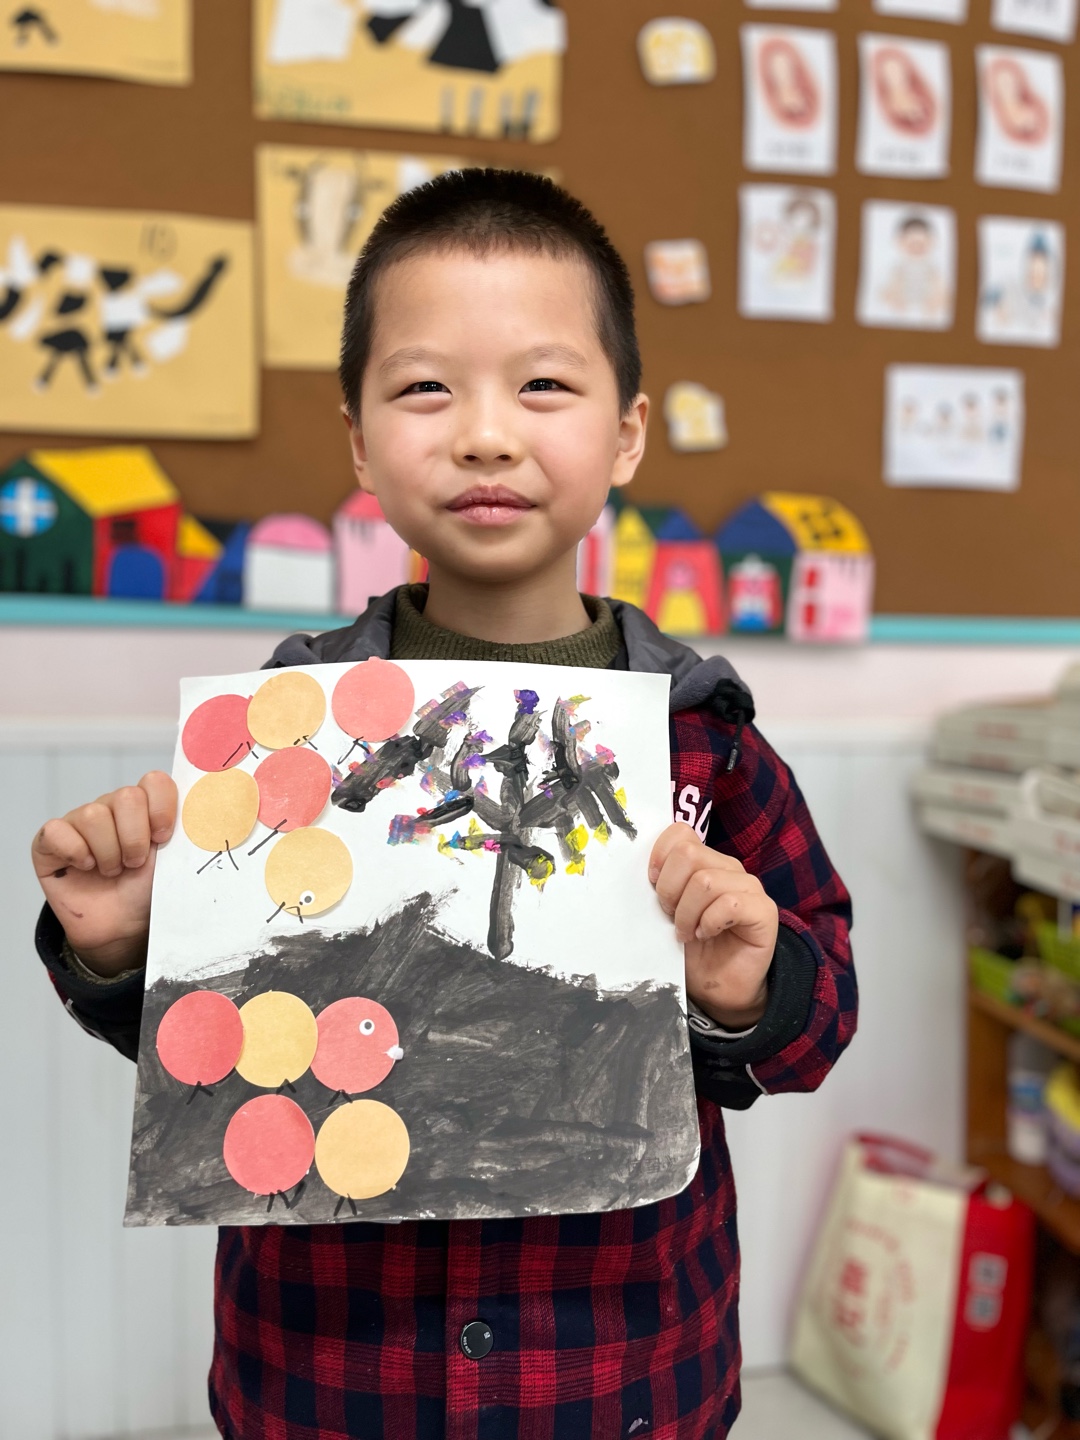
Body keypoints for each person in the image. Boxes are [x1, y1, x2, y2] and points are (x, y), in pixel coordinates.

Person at [30, 169, 856, 1440]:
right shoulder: (287, 734)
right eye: (426, 387)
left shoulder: (706, 742)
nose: (484, 435)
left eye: (544, 385)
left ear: (627, 432)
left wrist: (750, 988)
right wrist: (121, 949)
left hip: (625, 1371)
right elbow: (215, 1049)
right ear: (360, 441)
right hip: (332, 1375)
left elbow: (820, 1015)